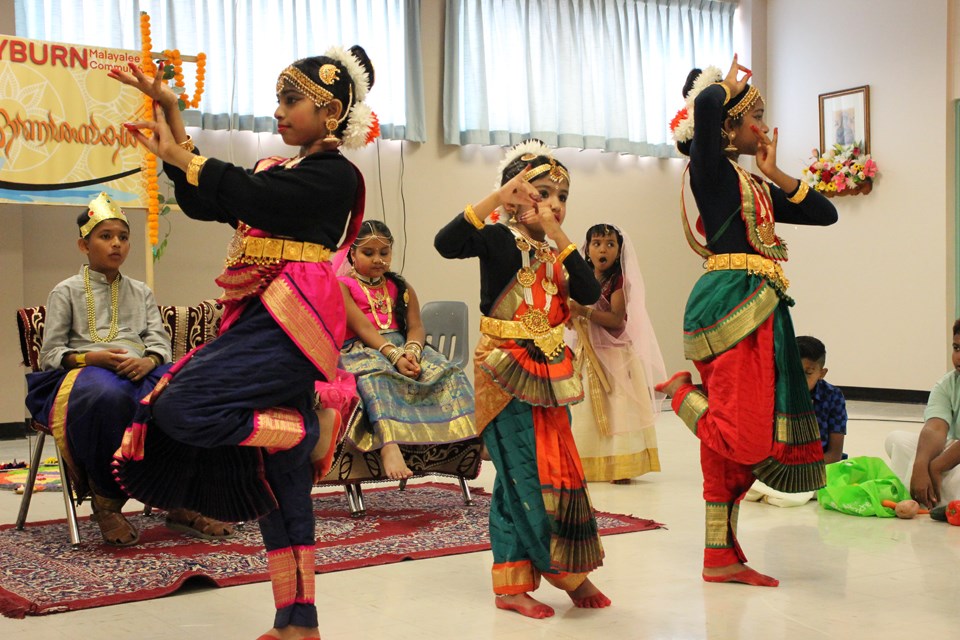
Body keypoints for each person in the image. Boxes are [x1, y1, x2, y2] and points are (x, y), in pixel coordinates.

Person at [109, 45, 377, 640]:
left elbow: (260, 202)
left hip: (292, 322)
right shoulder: (276, 171)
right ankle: (298, 622)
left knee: (177, 404)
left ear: (330, 110)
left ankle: (302, 427)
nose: (277, 111)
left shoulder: (335, 177)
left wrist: (187, 155)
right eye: (278, 99)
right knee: (282, 481)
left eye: (290, 100)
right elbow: (207, 199)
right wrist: (175, 119)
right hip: (262, 319)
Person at [656, 55, 838, 587]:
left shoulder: (751, 185)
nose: (764, 125)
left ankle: (721, 556)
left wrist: (774, 170)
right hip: (731, 301)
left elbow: (825, 213)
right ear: (728, 125)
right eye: (755, 116)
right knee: (742, 432)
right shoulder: (710, 175)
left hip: (762, 304)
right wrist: (724, 87)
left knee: (743, 441)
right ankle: (682, 396)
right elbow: (707, 103)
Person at [435, 139, 610, 619]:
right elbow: (445, 243)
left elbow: (591, 291)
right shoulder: (495, 237)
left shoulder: (555, 254)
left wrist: (559, 233)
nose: (554, 203)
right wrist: (496, 198)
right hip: (503, 368)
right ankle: (567, 574)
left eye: (562, 196)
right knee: (526, 474)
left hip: (550, 372)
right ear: (515, 194)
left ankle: (511, 583)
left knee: (550, 469)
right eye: (542, 192)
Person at [24, 193, 233, 547]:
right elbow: (51, 355)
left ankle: (180, 499)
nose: (117, 244)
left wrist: (149, 360)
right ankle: (107, 504)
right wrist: (94, 359)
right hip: (85, 373)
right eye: (106, 236)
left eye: (122, 236)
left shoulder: (140, 291)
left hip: (141, 368)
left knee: (188, 396)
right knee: (108, 396)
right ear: (83, 245)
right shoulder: (66, 292)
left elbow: (159, 342)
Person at [336, 220, 477, 480]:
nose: (378, 259)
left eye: (384, 253)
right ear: (351, 254)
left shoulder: (401, 287)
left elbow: (416, 326)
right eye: (368, 253)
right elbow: (364, 329)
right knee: (376, 377)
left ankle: (474, 438)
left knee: (449, 371)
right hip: (362, 349)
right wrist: (395, 356)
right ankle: (389, 446)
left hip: (403, 347)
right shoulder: (342, 287)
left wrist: (412, 351)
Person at [566, 223, 666, 484]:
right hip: (587, 353)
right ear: (587, 249)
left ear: (619, 251)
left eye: (610, 244)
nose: (603, 249)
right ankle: (585, 464)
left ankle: (621, 465)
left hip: (614, 355)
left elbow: (616, 320)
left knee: (619, 408)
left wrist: (582, 311)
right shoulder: (583, 277)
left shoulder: (618, 280)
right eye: (597, 243)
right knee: (583, 409)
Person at [745, 335, 847, 506]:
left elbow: (834, 454)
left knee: (831, 479)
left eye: (807, 373)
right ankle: (779, 491)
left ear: (821, 373)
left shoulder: (833, 396)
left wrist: (799, 470)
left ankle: (779, 492)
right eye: (793, 372)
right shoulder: (772, 393)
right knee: (745, 481)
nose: (798, 380)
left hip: (816, 467)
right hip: (777, 465)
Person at [886, 319, 960, 509]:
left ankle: (927, 496)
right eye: (956, 348)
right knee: (896, 440)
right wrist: (921, 465)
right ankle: (915, 496)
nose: (958, 357)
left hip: (952, 459)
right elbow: (935, 427)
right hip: (953, 452)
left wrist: (936, 467)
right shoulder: (948, 384)